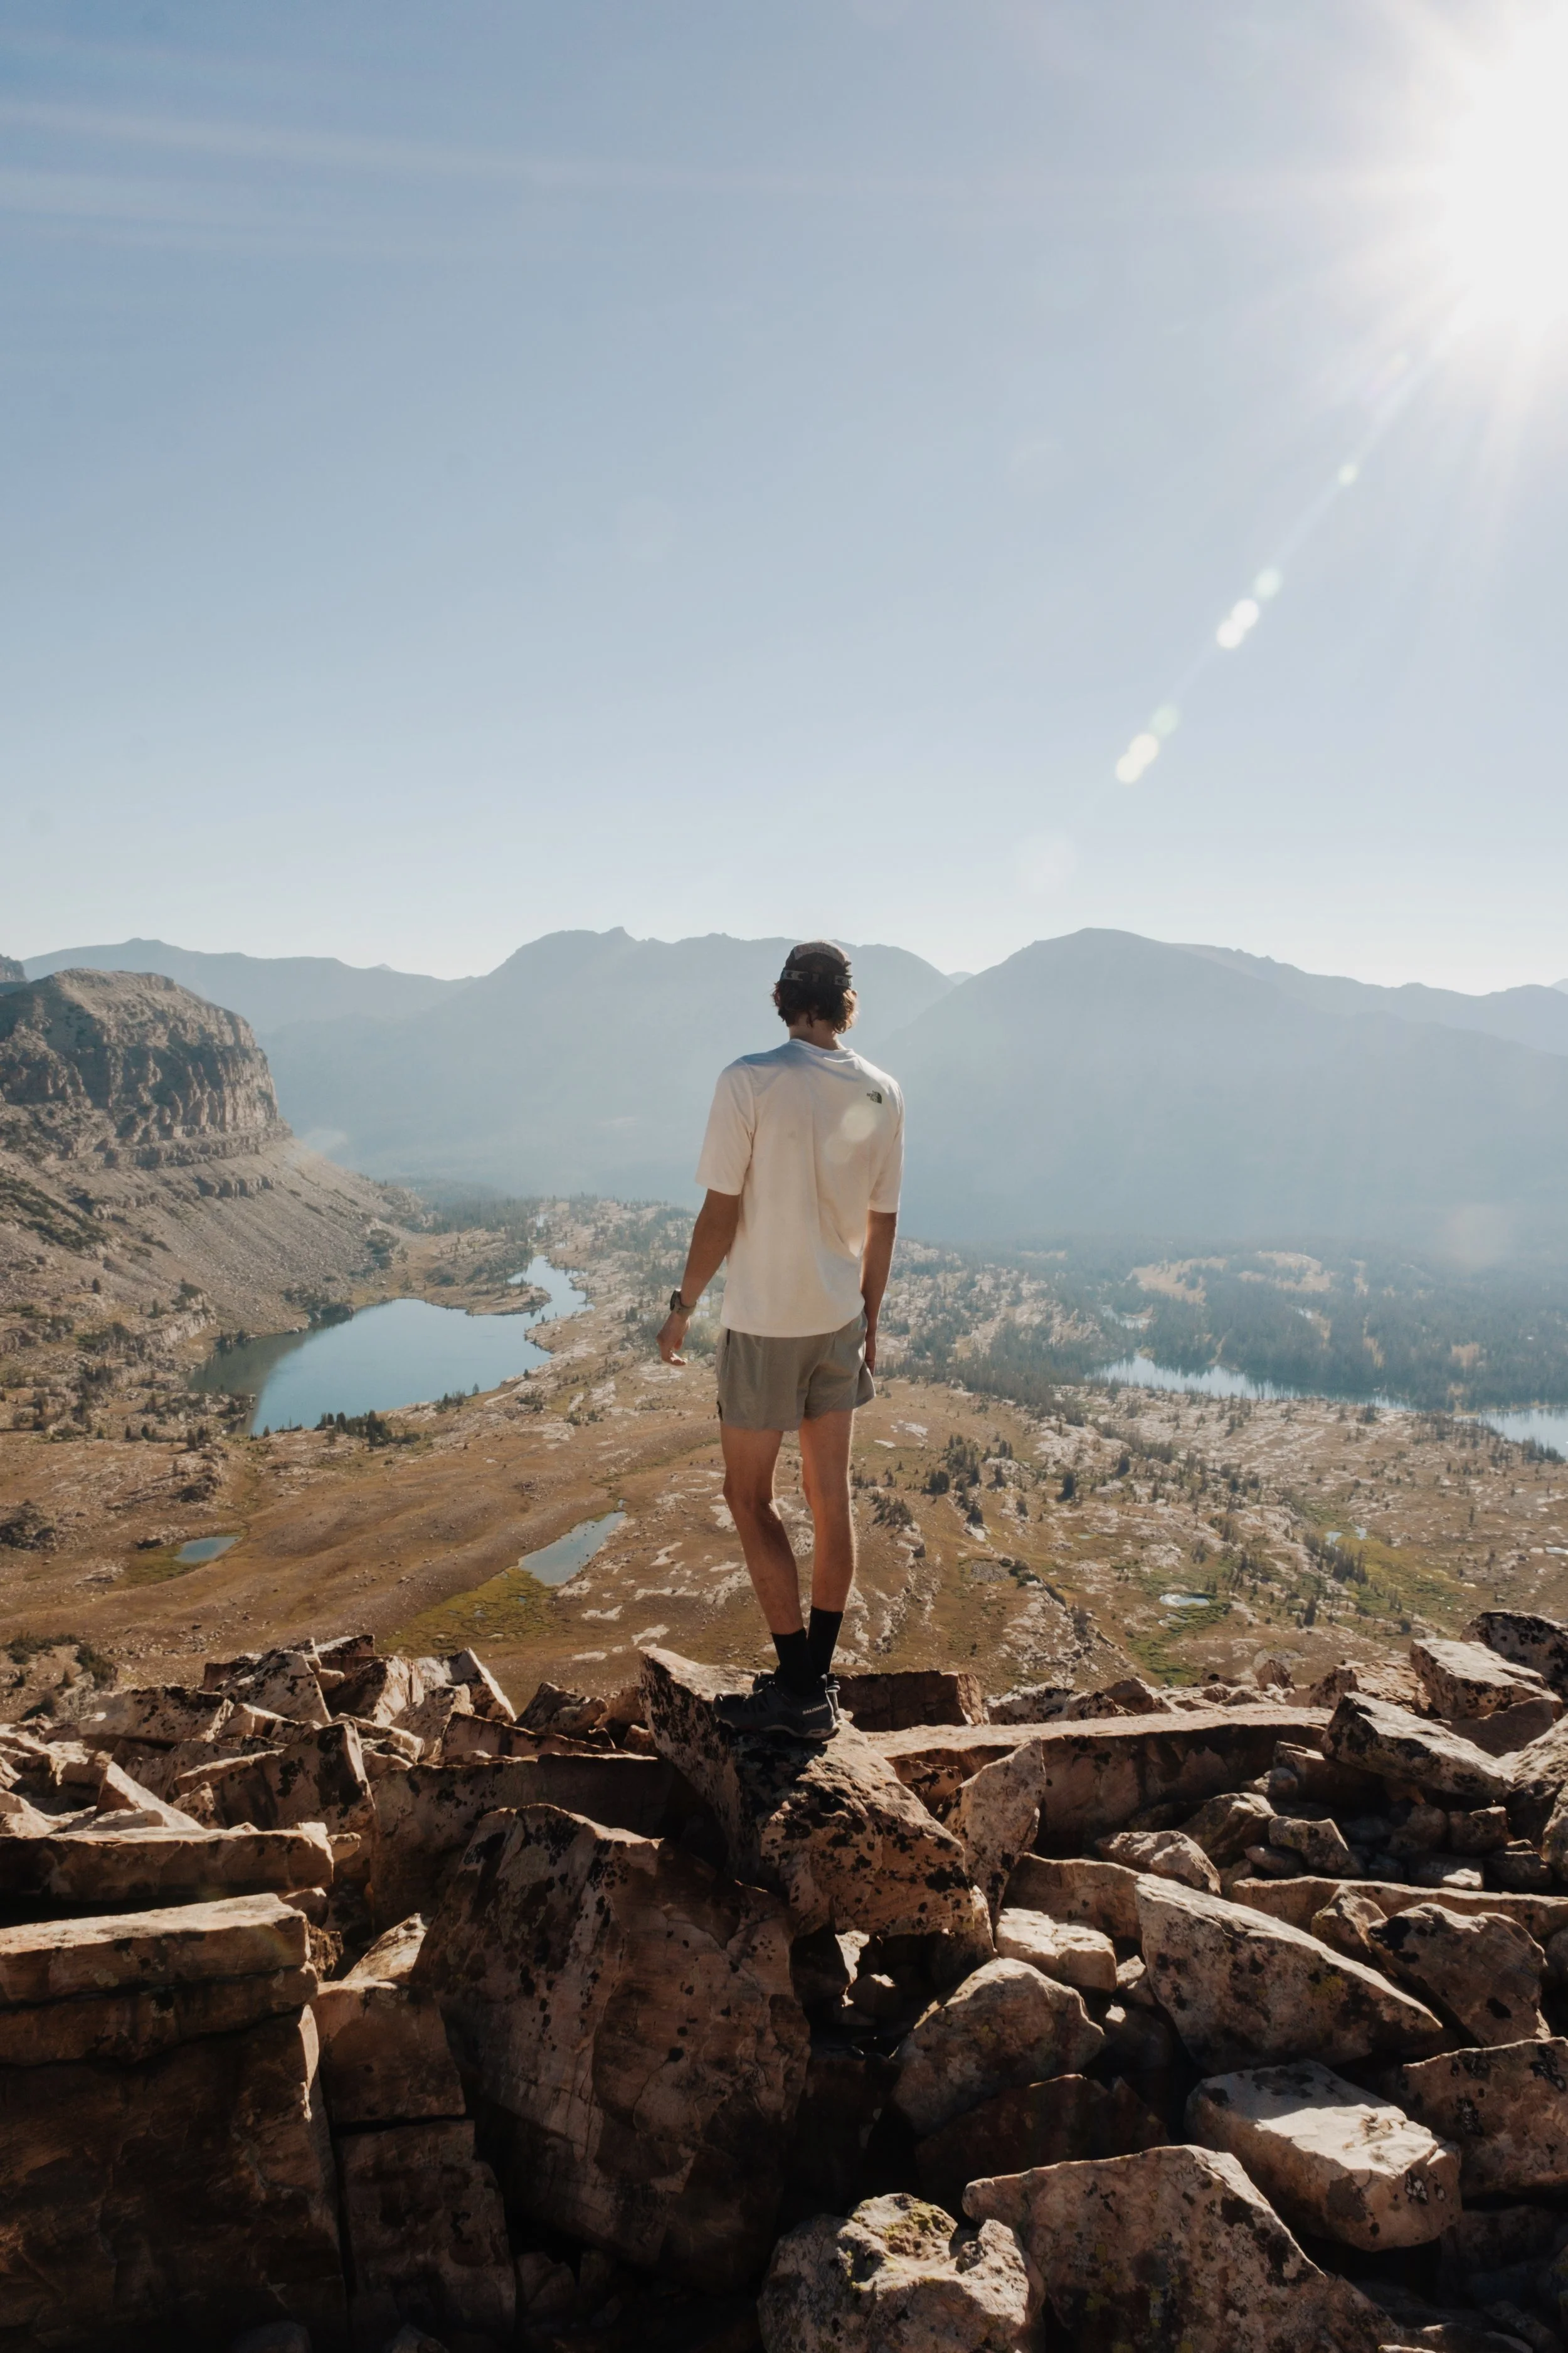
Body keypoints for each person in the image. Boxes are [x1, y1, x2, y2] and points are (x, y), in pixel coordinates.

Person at [657, 941, 904, 1736]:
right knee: (830, 1502)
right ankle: (815, 1682)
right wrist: (869, 1317)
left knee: (746, 1496)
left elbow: (719, 1214)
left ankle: (795, 1685)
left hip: (764, 1323)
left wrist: (682, 1305)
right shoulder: (880, 1090)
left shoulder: (749, 1080)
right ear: (845, 1004)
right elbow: (882, 1220)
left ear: (782, 998)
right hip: (835, 1321)